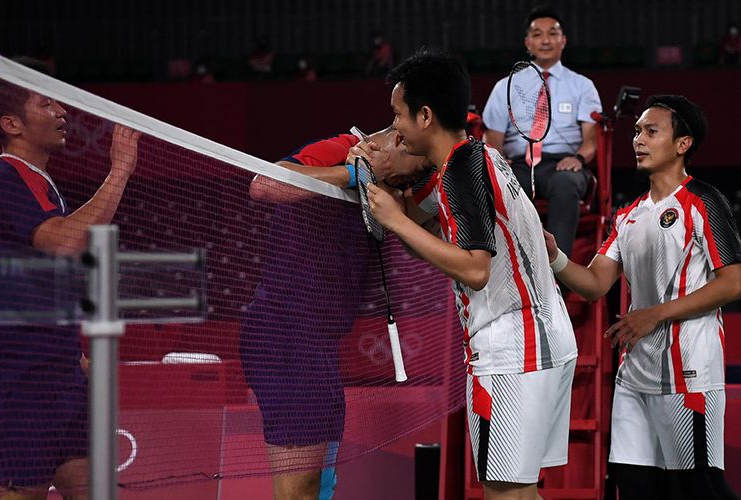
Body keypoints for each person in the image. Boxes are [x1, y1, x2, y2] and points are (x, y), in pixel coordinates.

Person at [366, 48, 577, 500]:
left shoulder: (462, 170)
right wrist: (397, 203)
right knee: (520, 493)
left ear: (425, 116)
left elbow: (476, 270)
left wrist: (397, 219)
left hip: (512, 347)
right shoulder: (481, 158)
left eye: (398, 117)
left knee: (504, 494)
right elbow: (439, 248)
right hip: (544, 339)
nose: (394, 131)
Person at [544, 95, 741, 499]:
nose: (639, 139)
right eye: (637, 131)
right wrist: (555, 256)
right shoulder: (628, 214)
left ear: (682, 144)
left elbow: (733, 282)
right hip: (634, 378)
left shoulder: (705, 201)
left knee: (699, 490)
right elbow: (596, 282)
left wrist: (653, 315)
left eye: (651, 131)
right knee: (634, 487)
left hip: (690, 375)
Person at [240, 126, 430, 500]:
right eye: (412, 168)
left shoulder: (391, 183)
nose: (410, 179)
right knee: (298, 491)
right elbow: (264, 184)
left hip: (319, 345)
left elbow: (421, 232)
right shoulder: (340, 148)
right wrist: (349, 174)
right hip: (285, 335)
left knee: (318, 485)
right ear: (395, 141)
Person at [0, 58, 140, 499]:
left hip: (61, 375)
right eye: (46, 102)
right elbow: (64, 241)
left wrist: (72, 353)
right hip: (18, 378)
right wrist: (120, 171)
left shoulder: (44, 184)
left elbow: (41, 281)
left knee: (94, 489)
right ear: (11, 124)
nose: (62, 111)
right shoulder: (2, 178)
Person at [482, 5, 602, 257]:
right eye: (537, 34)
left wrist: (578, 159)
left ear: (563, 41)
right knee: (507, 187)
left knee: (565, 183)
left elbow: (592, 140)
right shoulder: (506, 85)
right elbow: (492, 139)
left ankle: (558, 274)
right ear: (528, 43)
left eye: (553, 33)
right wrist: (501, 165)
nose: (545, 40)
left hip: (565, 164)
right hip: (519, 165)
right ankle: (516, 268)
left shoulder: (582, 86)